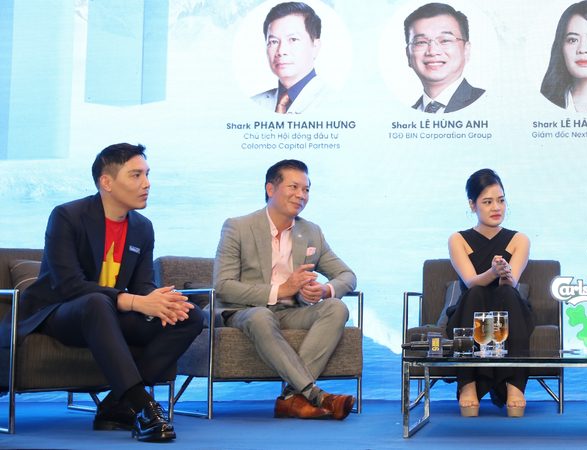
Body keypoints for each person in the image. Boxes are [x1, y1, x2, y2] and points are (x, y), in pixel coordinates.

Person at [0, 144, 204, 442]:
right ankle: (144, 406)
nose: (146, 184)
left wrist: (157, 300)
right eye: (136, 175)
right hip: (61, 314)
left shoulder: (142, 228)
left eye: (147, 175)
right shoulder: (68, 216)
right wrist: (135, 301)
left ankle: (116, 405)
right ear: (106, 182)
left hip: (110, 315)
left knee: (188, 315)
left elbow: (142, 284)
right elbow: (69, 285)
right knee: (95, 302)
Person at [213, 159, 357, 420]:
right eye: (294, 187)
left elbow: (347, 275)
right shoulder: (238, 227)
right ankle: (316, 395)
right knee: (261, 315)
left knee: (336, 307)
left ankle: (292, 397)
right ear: (271, 189)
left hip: (292, 312)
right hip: (246, 311)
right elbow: (222, 286)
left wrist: (324, 291)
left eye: (307, 190)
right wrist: (281, 289)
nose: (301, 195)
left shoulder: (311, 231)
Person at [445, 169, 534, 417]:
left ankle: (515, 386)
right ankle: (468, 386)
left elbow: (512, 283)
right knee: (476, 294)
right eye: (487, 202)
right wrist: (493, 272)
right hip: (470, 311)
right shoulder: (458, 239)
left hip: (509, 309)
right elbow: (471, 281)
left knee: (507, 295)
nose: (497, 207)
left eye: (501, 200)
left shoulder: (520, 239)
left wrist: (504, 275)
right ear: (473, 205)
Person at [251, 2, 335, 113]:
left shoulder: (334, 101)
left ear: (315, 47)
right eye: (274, 41)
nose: (281, 51)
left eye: (293, 39)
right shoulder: (253, 103)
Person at [404, 3, 485, 113]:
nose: (432, 52)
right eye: (421, 42)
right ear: (408, 55)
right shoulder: (403, 115)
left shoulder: (486, 103)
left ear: (466, 51)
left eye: (445, 40)